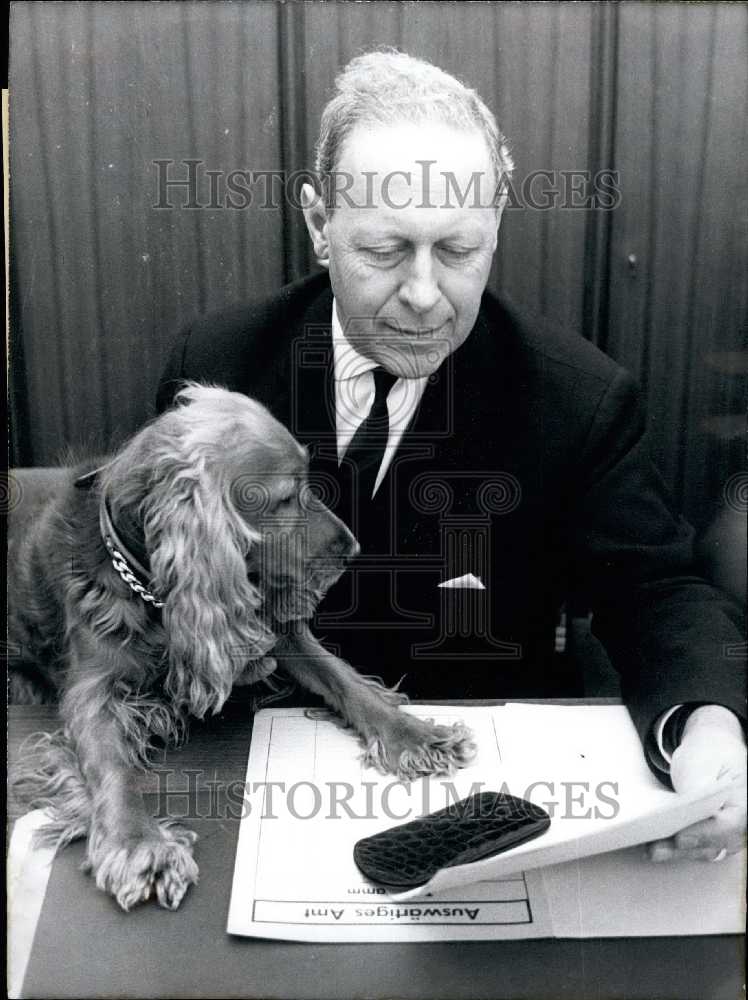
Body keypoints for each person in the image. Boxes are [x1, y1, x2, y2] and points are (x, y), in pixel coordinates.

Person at [157, 50, 746, 862]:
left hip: (481, 800)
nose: (426, 295)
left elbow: (657, 591)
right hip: (256, 773)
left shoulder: (578, 399)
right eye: (387, 250)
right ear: (319, 226)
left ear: (498, 221)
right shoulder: (220, 364)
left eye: (459, 251)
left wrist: (708, 722)